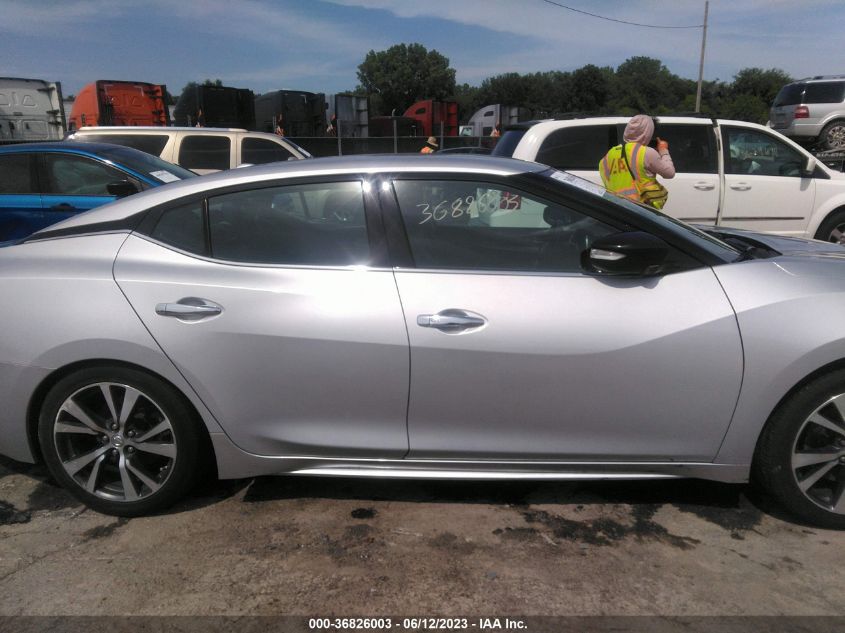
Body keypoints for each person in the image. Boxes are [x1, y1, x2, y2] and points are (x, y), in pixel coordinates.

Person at [598, 114, 674, 209]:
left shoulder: (607, 157)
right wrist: (663, 150)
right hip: (640, 208)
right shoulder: (646, 152)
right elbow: (669, 173)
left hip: (616, 208)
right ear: (647, 133)